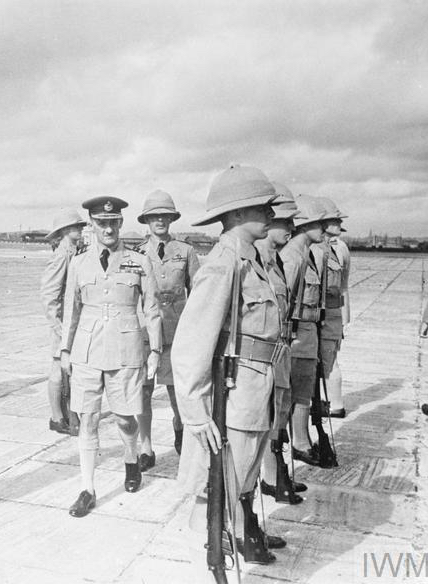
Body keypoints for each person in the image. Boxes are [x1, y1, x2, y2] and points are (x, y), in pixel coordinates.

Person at [172, 164, 286, 567]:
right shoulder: (224, 262)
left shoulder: (254, 259)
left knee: (235, 490)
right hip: (233, 402)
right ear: (237, 214)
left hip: (255, 395)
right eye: (262, 207)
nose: (271, 214)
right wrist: (197, 414)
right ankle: (201, 568)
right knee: (213, 493)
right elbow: (190, 346)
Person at [60, 196, 162, 517]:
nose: (108, 228)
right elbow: (70, 309)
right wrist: (64, 349)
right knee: (87, 420)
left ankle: (131, 460)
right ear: (92, 225)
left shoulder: (138, 260)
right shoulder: (78, 263)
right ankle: (87, 488)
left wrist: (156, 350)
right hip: (87, 352)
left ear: (120, 224)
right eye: (101, 223)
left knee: (124, 419)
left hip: (126, 351)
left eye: (113, 222)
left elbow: (153, 309)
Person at [132, 190, 199, 468]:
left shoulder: (186, 251)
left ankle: (181, 434)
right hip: (146, 335)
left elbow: (197, 294)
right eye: (154, 216)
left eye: (165, 215)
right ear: (147, 220)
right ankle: (145, 448)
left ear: (171, 218)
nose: (160, 219)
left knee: (177, 393)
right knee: (144, 393)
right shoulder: (135, 255)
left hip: (176, 332)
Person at [256, 183, 306, 504]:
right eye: (285, 222)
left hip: (280, 353)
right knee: (262, 422)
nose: (290, 227)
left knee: (277, 418)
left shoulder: (277, 261)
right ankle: (269, 479)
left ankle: (272, 476)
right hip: (259, 357)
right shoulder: (256, 262)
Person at [279, 195, 327, 466]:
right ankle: (296, 443)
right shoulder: (293, 258)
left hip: (308, 335)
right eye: (318, 223)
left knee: (304, 392)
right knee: (293, 394)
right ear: (304, 224)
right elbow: (284, 303)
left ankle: (301, 440)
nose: (323, 228)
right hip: (296, 337)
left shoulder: (307, 254)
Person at [40, 209, 87, 435]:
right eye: (76, 226)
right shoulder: (62, 255)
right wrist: (58, 327)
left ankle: (66, 415)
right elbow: (49, 295)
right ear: (65, 231)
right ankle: (56, 417)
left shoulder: (74, 251)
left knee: (67, 369)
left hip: (71, 321)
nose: (81, 229)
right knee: (58, 369)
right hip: (61, 323)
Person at [315, 198, 349, 418]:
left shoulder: (327, 249)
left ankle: (335, 405)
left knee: (328, 360)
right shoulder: (341, 247)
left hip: (326, 312)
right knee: (330, 358)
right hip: (336, 311)